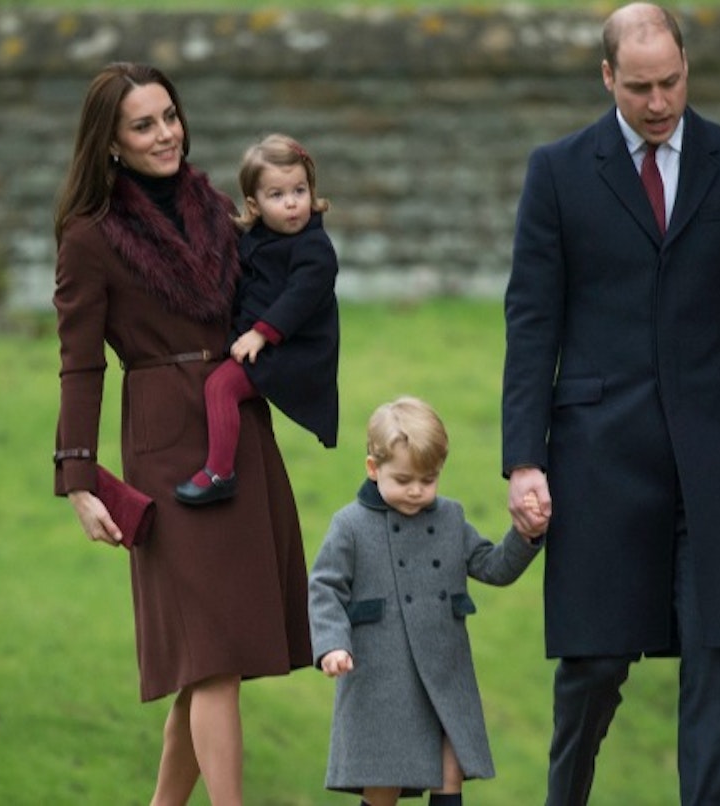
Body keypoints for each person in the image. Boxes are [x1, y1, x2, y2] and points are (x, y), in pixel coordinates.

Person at [501, 5, 720, 805]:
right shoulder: (559, 171)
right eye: (639, 86)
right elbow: (532, 322)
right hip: (598, 451)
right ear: (608, 78)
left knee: (716, 653)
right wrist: (524, 459)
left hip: (713, 447)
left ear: (686, 70)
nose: (659, 100)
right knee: (594, 664)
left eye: (670, 81)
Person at [51, 62, 311, 806]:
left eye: (170, 116)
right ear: (111, 143)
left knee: (208, 662)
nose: (166, 133)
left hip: (240, 432)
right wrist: (78, 477)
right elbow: (78, 365)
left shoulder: (220, 207)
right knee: (212, 658)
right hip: (165, 446)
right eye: (143, 123)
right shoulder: (89, 237)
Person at [308, 396, 547, 806]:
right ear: (373, 468)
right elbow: (325, 587)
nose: (417, 491)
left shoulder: (450, 518)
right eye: (403, 480)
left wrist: (525, 534)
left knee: (449, 770)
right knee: (382, 784)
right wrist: (332, 644)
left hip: (445, 672)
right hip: (381, 676)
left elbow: (493, 567)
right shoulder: (349, 525)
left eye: (429, 478)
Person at [174, 132, 340, 505]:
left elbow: (299, 298)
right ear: (254, 204)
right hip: (261, 341)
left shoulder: (315, 248)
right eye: (277, 196)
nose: (293, 204)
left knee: (221, 387)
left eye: (299, 190)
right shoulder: (257, 238)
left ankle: (220, 473)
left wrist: (261, 334)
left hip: (293, 351)